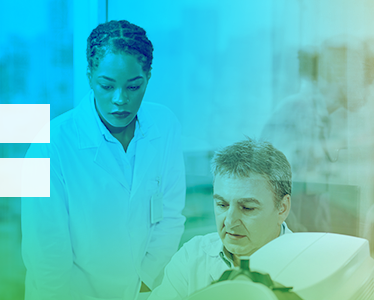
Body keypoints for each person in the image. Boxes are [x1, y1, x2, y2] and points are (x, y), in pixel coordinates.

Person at [22, 20, 186, 300]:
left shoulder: (165, 124)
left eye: (133, 87)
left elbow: (171, 216)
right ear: (89, 76)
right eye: (107, 86)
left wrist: (145, 284)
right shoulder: (48, 146)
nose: (120, 99)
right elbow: (46, 253)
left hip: (143, 290)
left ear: (148, 77)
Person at [148, 139, 292, 300]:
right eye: (222, 205)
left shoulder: (310, 265)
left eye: (247, 208)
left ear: (282, 208)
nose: (229, 222)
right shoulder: (192, 257)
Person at [260, 38, 374, 232]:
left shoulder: (324, 117)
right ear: (344, 78)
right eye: (365, 82)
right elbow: (274, 183)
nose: (368, 93)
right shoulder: (297, 110)